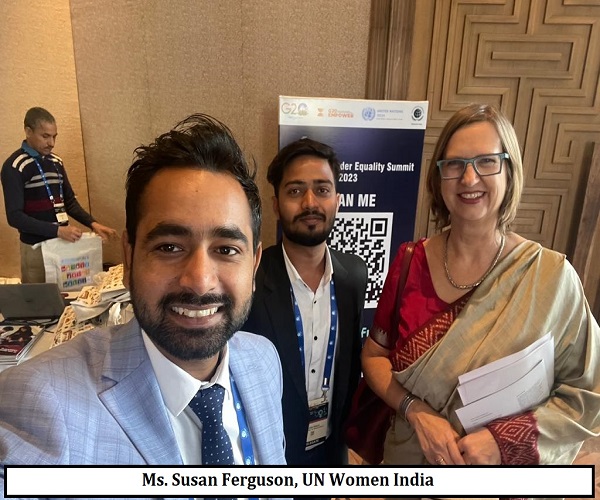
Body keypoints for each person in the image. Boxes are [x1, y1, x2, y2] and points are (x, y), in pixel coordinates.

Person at [0, 114, 286, 479]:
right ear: (130, 256)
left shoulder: (264, 360)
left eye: (226, 250)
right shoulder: (44, 403)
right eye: (169, 246)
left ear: (254, 264)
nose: (200, 282)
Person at [361, 103, 600, 467]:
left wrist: (504, 441)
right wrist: (416, 411)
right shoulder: (410, 262)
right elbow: (374, 357)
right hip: (410, 467)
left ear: (509, 171)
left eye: (487, 161)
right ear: (438, 177)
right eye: (454, 164)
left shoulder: (550, 277)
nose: (469, 179)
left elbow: (587, 392)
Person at [243, 138, 368, 467]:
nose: (310, 203)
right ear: (276, 205)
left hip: (331, 450)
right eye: (295, 190)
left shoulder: (354, 275)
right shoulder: (250, 277)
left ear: (337, 201)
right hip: (269, 451)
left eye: (322, 190)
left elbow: (350, 368)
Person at [1, 107, 117, 283]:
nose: (51, 143)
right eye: (45, 136)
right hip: (36, 248)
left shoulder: (56, 162)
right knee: (39, 298)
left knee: (67, 295)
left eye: (54, 136)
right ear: (28, 132)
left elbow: (69, 202)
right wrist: (56, 230)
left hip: (62, 245)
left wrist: (93, 223)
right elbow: (15, 217)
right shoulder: (14, 166)